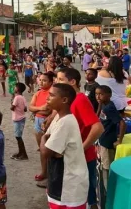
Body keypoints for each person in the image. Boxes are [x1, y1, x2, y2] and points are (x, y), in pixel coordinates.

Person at [51, 68, 104, 208]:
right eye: (57, 79)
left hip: (83, 158)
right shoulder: (69, 100)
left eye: (61, 79)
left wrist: (80, 149)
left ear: (72, 81)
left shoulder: (80, 100)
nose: (57, 82)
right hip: (71, 159)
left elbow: (98, 128)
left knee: (86, 197)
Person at [40, 83, 89, 209]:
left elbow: (46, 151)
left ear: (64, 100)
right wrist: (46, 138)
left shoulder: (65, 123)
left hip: (68, 185)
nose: (47, 98)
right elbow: (49, 140)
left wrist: (43, 138)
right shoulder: (58, 117)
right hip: (59, 179)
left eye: (51, 95)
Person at [95, 85, 125, 190]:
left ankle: (109, 189)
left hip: (107, 141)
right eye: (96, 94)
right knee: (103, 163)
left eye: (101, 94)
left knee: (107, 166)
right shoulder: (104, 104)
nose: (98, 96)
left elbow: (121, 123)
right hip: (102, 139)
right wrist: (99, 105)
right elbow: (97, 117)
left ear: (109, 95)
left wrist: (119, 140)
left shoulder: (109, 108)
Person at [11, 83, 28, 160]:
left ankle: (23, 154)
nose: (14, 88)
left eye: (15, 87)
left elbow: (12, 107)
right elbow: (25, 109)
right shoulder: (23, 97)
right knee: (19, 137)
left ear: (17, 89)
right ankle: (20, 152)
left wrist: (12, 103)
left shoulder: (16, 98)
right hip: (22, 118)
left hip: (17, 119)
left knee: (18, 137)